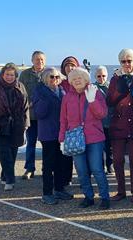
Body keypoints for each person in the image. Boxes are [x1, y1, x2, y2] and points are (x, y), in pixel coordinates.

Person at [59, 67, 110, 209]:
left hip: (95, 138)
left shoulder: (95, 92)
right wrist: (61, 139)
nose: (76, 81)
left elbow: (102, 114)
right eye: (74, 79)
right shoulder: (67, 97)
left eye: (79, 78)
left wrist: (92, 100)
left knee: (97, 169)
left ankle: (105, 197)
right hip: (75, 138)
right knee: (81, 171)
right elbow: (63, 120)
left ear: (86, 79)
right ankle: (88, 197)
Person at [107, 49, 133, 203]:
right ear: (120, 62)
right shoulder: (115, 79)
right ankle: (121, 191)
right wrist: (122, 88)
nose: (127, 64)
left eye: (129, 61)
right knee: (117, 160)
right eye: (123, 61)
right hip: (119, 125)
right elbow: (110, 101)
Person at [33, 67, 74, 204]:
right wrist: (45, 99)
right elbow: (39, 113)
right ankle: (47, 193)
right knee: (49, 164)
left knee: (61, 162)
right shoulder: (39, 91)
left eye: (57, 77)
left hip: (61, 132)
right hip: (48, 133)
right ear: (45, 78)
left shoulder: (61, 90)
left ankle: (59, 189)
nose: (55, 79)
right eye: (51, 77)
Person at [0, 63, 29, 191]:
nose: (9, 77)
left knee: (12, 154)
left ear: (15, 75)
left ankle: (3, 176)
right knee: (4, 153)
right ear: (2, 74)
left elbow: (25, 106)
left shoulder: (20, 86)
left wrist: (26, 124)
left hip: (17, 126)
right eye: (7, 74)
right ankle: (10, 180)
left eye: (12, 75)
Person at [19, 51, 46, 180]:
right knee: (31, 143)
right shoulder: (25, 74)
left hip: (46, 117)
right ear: (32, 60)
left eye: (41, 59)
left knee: (47, 144)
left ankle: (47, 168)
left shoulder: (49, 73)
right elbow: (19, 91)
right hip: (31, 116)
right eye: (37, 59)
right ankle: (29, 169)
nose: (39, 62)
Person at [59, 56, 80, 186]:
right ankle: (66, 178)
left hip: (80, 124)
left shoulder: (81, 81)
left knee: (80, 152)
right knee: (65, 153)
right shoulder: (60, 83)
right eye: (67, 65)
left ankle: (84, 177)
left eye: (72, 65)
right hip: (64, 122)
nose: (70, 68)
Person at [94, 65, 113, 175]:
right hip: (98, 123)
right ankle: (100, 167)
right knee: (99, 148)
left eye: (104, 76)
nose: (101, 78)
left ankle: (110, 165)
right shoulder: (93, 88)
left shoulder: (111, 87)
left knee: (109, 146)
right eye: (99, 76)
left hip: (110, 122)